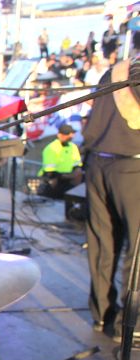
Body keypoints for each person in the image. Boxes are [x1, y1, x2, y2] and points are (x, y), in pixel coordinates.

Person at [81, 58, 140, 342]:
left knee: (103, 244)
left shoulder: (115, 70)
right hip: (131, 166)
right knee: (137, 249)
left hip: (98, 163)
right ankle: (131, 324)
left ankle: (102, 313)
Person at [37, 123, 83, 198]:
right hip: (53, 181)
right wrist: (69, 176)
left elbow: (77, 165)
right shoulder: (51, 148)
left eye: (72, 134)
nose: (71, 136)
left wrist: (76, 173)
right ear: (60, 135)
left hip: (68, 181)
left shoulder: (73, 147)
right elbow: (50, 172)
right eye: (68, 134)